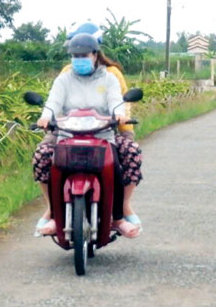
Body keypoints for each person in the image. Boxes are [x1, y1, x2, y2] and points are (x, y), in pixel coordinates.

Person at [32, 29, 144, 239]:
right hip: (67, 135)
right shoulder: (64, 79)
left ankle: (119, 216)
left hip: (102, 136)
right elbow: (53, 103)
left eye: (84, 55)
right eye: (75, 56)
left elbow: (115, 101)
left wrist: (118, 115)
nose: (79, 60)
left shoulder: (109, 78)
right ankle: (53, 213)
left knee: (128, 154)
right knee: (42, 155)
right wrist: (45, 117)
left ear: (95, 55)